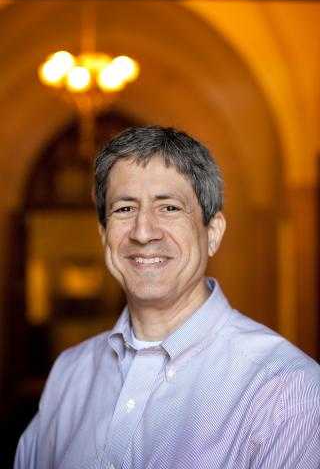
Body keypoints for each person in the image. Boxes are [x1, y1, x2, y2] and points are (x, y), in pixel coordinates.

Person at [15, 126, 320, 469]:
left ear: (213, 233)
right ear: (104, 236)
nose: (143, 232)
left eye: (170, 208)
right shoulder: (70, 373)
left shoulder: (288, 392)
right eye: (125, 209)